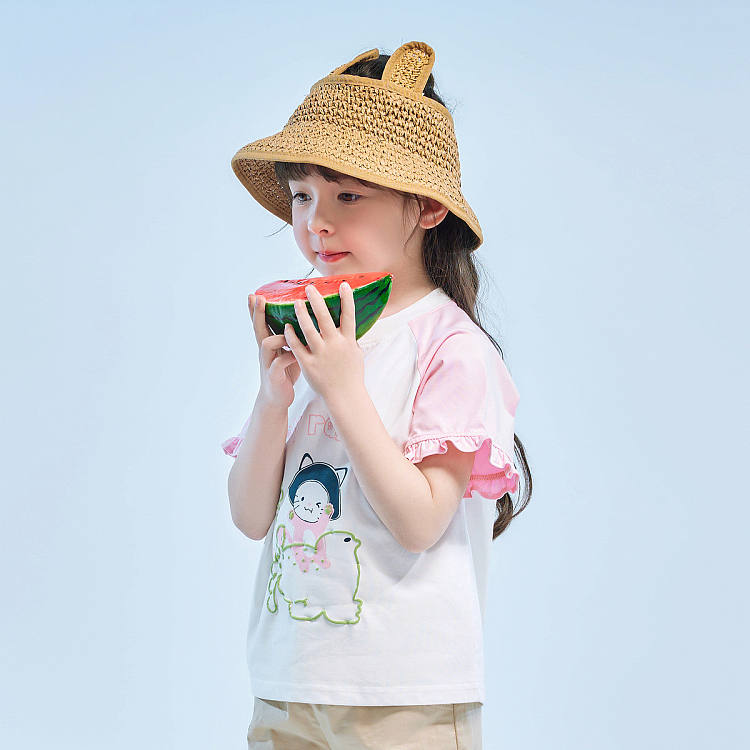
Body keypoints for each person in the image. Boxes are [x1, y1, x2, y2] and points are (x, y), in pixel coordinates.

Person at [222, 40, 533, 750]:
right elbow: (248, 516)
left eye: (348, 196)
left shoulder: (453, 348)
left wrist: (343, 390)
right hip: (288, 684)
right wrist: (273, 400)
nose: (315, 222)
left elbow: (420, 522)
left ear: (426, 208)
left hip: (406, 697)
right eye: (302, 195)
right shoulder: (316, 329)